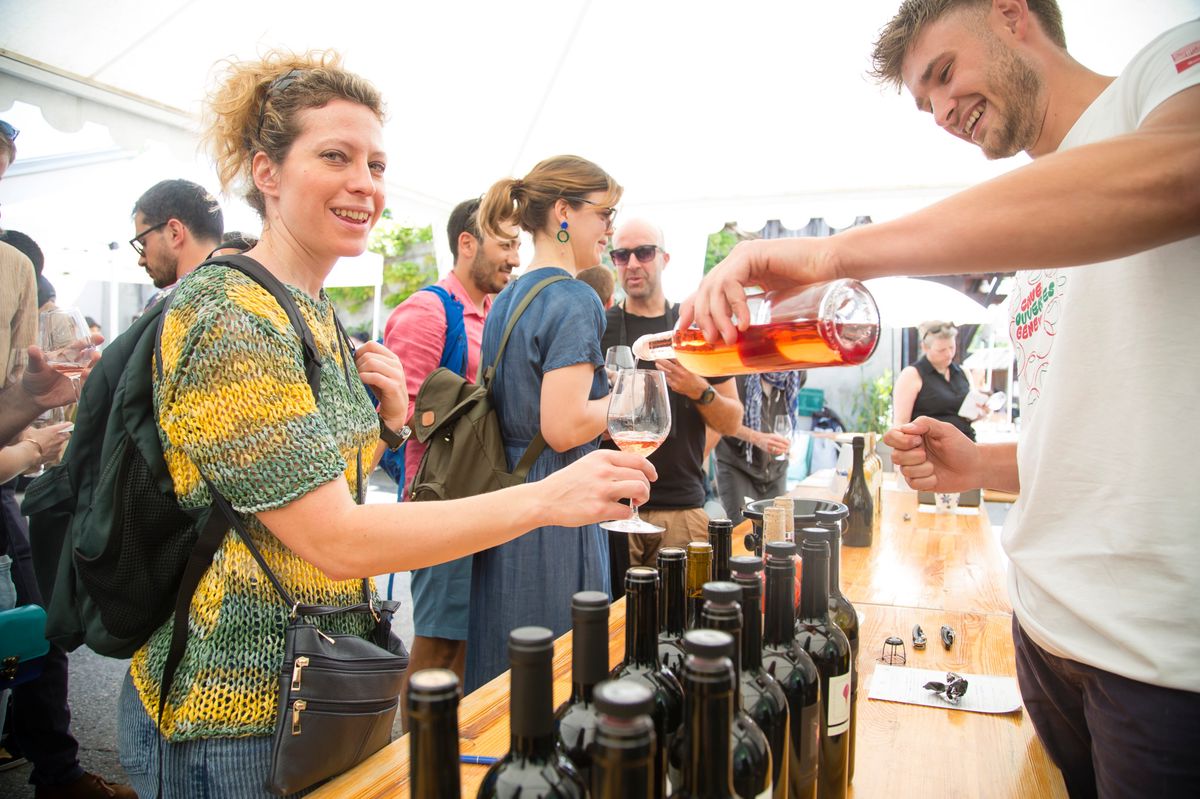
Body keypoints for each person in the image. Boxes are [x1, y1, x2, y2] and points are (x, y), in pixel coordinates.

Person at [682, 2, 1200, 795]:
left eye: (944, 74)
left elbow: (1182, 167)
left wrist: (832, 254)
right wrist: (981, 463)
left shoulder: (1165, 70)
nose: (942, 113)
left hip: (1159, 654)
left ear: (1010, 14)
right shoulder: (1036, 228)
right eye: (924, 103)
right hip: (1047, 629)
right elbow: (1107, 427)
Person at [118, 53, 652, 798]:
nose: (365, 182)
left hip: (328, 687)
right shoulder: (231, 316)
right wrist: (545, 499)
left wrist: (392, 428)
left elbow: (290, 474)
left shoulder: (312, 312)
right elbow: (331, 537)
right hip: (236, 715)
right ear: (266, 172)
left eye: (375, 162)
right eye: (334, 156)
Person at [0, 118, 126, 799]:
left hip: (11, 490)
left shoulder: (13, 272)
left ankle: (53, 763)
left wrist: (27, 403)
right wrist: (26, 444)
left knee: (32, 626)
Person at [464, 155, 623, 691]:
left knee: (501, 682)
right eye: (605, 214)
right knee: (558, 681)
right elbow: (563, 425)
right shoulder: (575, 297)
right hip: (556, 504)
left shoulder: (506, 296)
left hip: (501, 502)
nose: (609, 229)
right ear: (563, 211)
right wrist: (632, 402)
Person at [381, 197, 519, 715]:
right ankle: (417, 763)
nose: (514, 257)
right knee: (439, 642)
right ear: (468, 243)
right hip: (440, 502)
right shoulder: (427, 310)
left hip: (480, 501)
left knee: (465, 640)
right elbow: (402, 416)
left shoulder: (491, 312)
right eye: (505, 244)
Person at [600, 218, 742, 594]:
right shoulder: (599, 326)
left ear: (664, 258)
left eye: (644, 253)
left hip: (681, 507)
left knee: (682, 623)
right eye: (621, 254)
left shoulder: (693, 328)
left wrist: (698, 390)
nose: (632, 264)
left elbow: (733, 419)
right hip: (613, 508)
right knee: (617, 628)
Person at [713, 371, 804, 526]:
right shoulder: (737, 373)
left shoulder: (796, 373)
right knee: (743, 531)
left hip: (776, 468)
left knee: (777, 529)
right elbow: (720, 419)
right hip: (737, 465)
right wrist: (757, 438)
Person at [129, 178, 224, 306]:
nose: (141, 260)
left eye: (143, 243)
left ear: (174, 233)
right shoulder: (249, 291)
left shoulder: (169, 304)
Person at [892, 320, 984, 439]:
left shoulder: (963, 372)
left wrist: (980, 412)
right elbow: (900, 423)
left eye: (952, 347)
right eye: (941, 350)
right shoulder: (912, 374)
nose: (949, 354)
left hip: (966, 442)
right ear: (925, 347)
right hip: (931, 447)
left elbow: (970, 415)